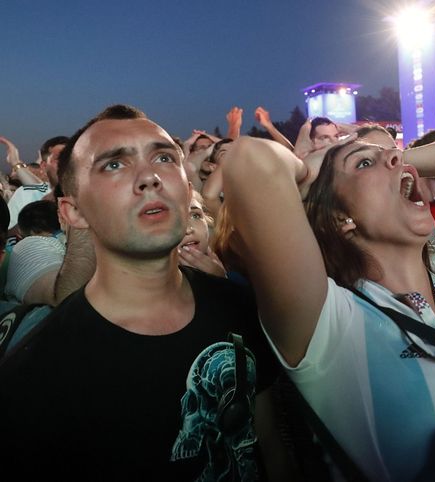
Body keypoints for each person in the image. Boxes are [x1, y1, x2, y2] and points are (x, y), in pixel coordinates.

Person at [220, 127, 435, 480]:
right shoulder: (331, 320)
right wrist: (314, 167)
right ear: (340, 219)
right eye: (364, 163)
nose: (393, 157)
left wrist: (394, 159)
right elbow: (250, 160)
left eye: (391, 154)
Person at [0, 104, 279, 480]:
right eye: (114, 164)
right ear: (72, 213)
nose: (149, 176)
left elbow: (270, 448)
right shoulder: (34, 377)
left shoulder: (237, 304)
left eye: (163, 157)